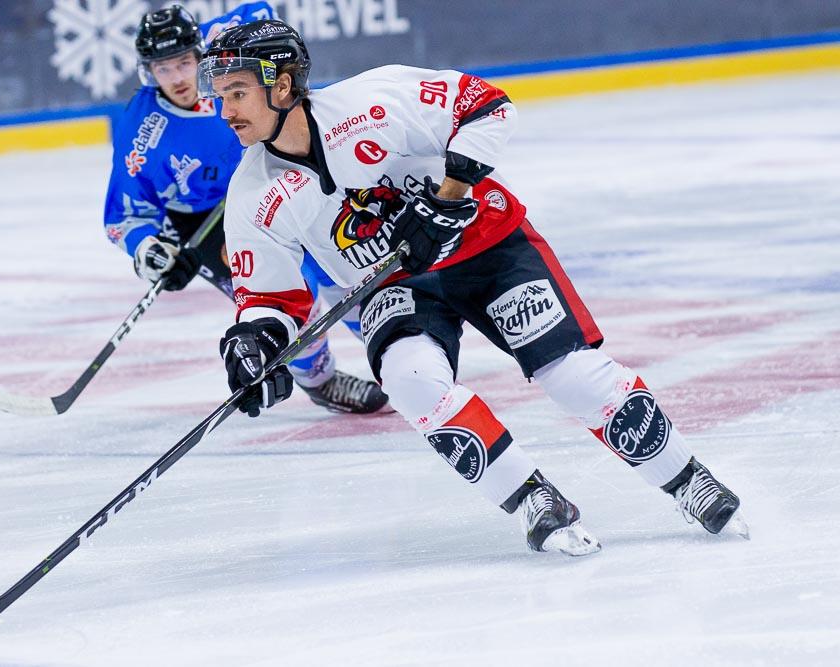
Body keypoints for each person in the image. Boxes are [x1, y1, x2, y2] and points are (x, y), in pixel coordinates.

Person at [199, 19, 749, 555]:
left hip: (487, 245)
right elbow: (270, 299)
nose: (226, 112)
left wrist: (447, 197)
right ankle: (534, 497)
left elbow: (486, 105)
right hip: (398, 286)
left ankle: (687, 480)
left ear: (284, 85)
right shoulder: (252, 194)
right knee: (410, 380)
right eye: (221, 95)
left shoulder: (373, 101)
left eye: (238, 93)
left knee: (573, 377)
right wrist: (254, 344)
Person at [102, 5, 388, 415]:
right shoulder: (141, 130)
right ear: (147, 72)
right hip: (205, 221)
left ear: (198, 51)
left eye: (184, 62)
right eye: (163, 69)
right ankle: (320, 381)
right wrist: (149, 248)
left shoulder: (221, 53)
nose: (179, 78)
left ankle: (392, 341)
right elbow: (123, 216)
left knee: (336, 264)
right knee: (281, 296)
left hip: (273, 177)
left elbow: (262, 13)